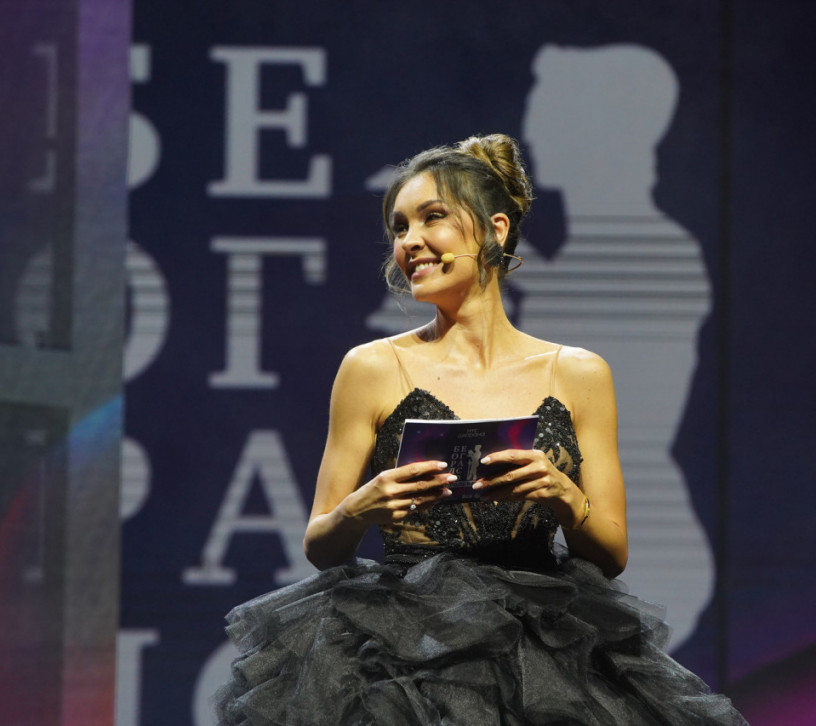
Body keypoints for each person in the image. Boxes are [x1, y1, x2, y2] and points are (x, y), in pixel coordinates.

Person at [215, 134, 746, 725]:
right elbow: (321, 545)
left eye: (432, 218)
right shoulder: (371, 367)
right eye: (399, 227)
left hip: (544, 647)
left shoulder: (577, 372)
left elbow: (612, 553)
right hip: (402, 653)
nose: (409, 241)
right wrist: (361, 508)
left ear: (495, 229)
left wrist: (563, 495)